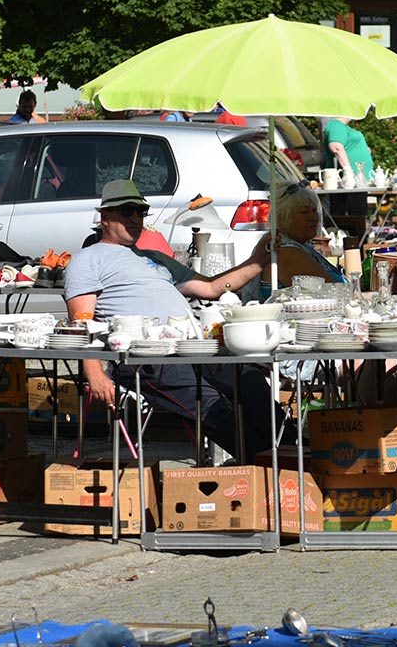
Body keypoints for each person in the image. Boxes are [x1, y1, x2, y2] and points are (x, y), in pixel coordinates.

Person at [65, 180, 279, 460]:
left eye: (141, 212)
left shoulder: (155, 258)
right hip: (149, 356)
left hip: (195, 349)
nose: (135, 219)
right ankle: (269, 467)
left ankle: (296, 455)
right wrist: (94, 373)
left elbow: (212, 288)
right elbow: (82, 323)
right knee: (214, 407)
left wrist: (259, 259)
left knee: (250, 382)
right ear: (105, 218)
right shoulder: (88, 259)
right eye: (127, 211)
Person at [261, 186, 346, 293]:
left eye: (314, 210)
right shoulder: (286, 253)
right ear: (281, 218)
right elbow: (333, 293)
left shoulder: (298, 246)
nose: (313, 217)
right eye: (304, 212)